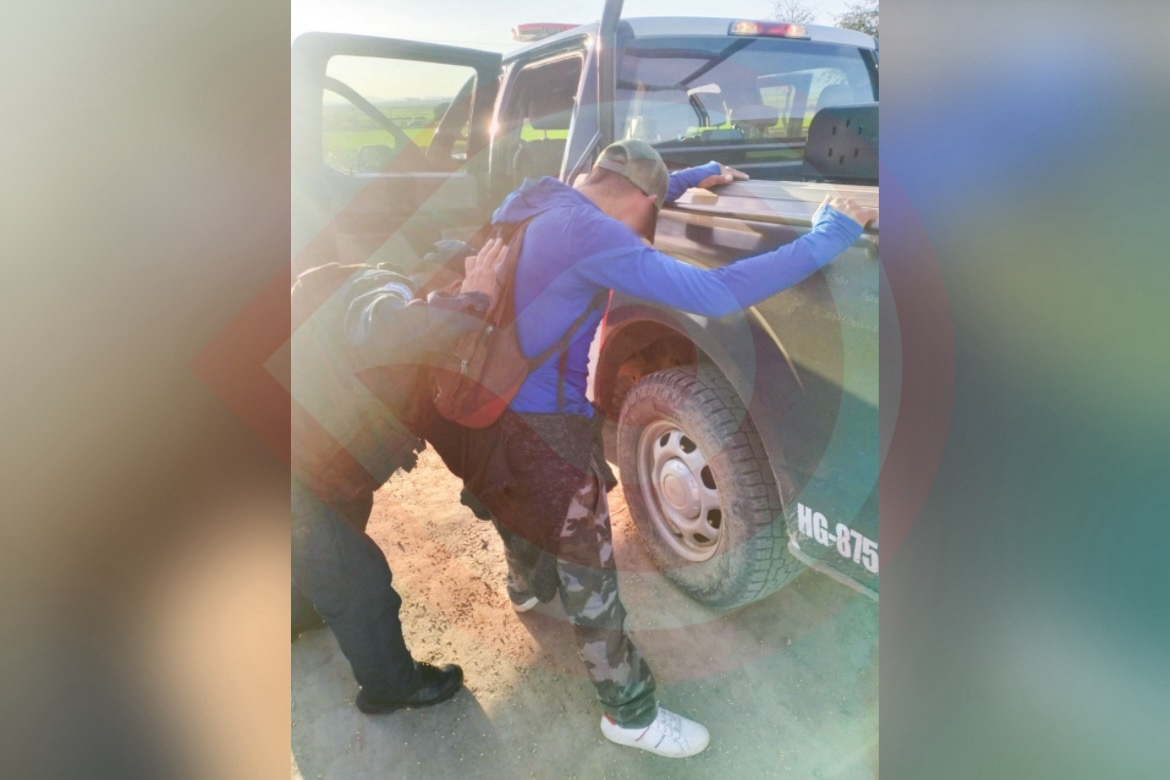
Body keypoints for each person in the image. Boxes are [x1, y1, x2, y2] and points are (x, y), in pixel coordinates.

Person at [470, 141, 877, 757]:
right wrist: (832, 233)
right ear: (640, 199)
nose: (647, 226)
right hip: (542, 428)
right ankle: (628, 715)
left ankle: (526, 583)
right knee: (589, 570)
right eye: (653, 209)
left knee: (512, 496)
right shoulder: (591, 234)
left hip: (485, 406)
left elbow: (628, 191)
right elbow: (714, 293)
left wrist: (690, 176)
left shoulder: (542, 201)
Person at [290, 240, 507, 714]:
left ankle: (296, 613)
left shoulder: (374, 310)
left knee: (319, 554)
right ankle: (391, 688)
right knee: (357, 581)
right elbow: (388, 327)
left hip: (309, 455)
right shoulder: (382, 288)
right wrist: (475, 301)